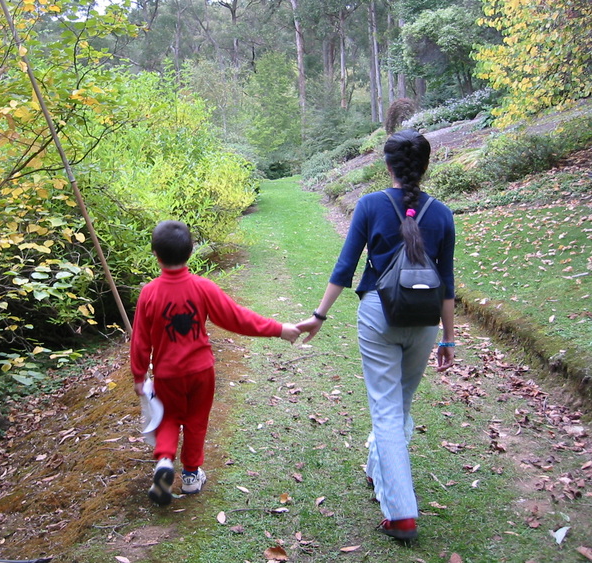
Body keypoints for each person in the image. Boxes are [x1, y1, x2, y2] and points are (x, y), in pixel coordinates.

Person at [297, 129, 456, 541]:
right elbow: (448, 284)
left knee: (386, 410)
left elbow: (344, 268)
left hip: (377, 316)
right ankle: (377, 468)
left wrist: (319, 315)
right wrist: (448, 339)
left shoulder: (369, 206)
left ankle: (401, 513)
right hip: (425, 322)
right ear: (425, 166)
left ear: (388, 166)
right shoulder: (441, 214)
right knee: (398, 405)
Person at [130, 220, 301, 506]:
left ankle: (163, 462)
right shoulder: (203, 287)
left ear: (156, 255)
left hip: (167, 375)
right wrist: (279, 329)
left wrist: (138, 375)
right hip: (201, 372)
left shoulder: (149, 293)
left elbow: (140, 341)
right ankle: (191, 477)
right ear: (191, 251)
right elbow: (237, 318)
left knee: (169, 418)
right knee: (196, 422)